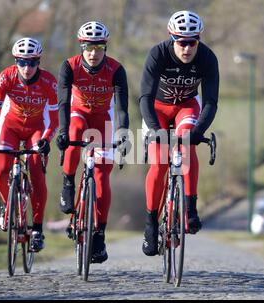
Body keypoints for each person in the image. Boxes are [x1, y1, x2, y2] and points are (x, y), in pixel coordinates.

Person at [139, 10, 219, 256]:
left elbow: (210, 102)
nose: (186, 48)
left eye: (192, 42)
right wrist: (156, 130)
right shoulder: (158, 54)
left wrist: (199, 131)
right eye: (181, 42)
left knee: (187, 145)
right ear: (172, 38)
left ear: (198, 40)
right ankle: (151, 223)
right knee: (160, 163)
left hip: (187, 107)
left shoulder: (206, 58)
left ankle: (191, 208)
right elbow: (144, 98)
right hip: (157, 109)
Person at [56, 21, 130, 263]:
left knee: (101, 176)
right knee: (75, 129)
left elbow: (121, 107)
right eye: (89, 47)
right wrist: (62, 131)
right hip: (77, 113)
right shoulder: (69, 66)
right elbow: (64, 102)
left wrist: (122, 134)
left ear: (105, 48)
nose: (93, 53)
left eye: (98, 48)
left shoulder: (116, 70)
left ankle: (99, 233)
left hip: (103, 119)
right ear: (81, 47)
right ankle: (68, 182)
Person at [0, 37, 59, 252]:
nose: (26, 68)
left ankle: (37, 230)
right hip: (10, 127)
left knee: (36, 170)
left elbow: (54, 119)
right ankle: (9, 205)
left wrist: (46, 140)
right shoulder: (6, 77)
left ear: (38, 62)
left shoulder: (49, 82)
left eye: (32, 62)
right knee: (1, 171)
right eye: (21, 62)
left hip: (36, 130)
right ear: (16, 62)